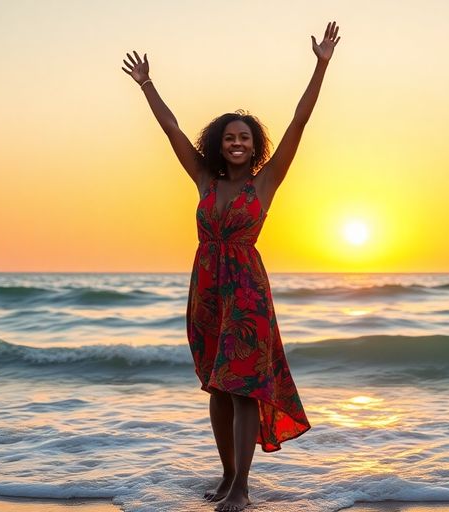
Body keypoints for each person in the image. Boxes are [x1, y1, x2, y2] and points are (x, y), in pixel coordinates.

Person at [122, 21, 341, 512]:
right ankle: (226, 478)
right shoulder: (204, 180)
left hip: (247, 294)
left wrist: (321, 65)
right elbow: (172, 129)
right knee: (217, 388)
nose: (236, 143)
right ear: (218, 145)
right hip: (206, 291)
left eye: (243, 137)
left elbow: (298, 124)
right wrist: (147, 85)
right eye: (228, 138)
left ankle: (242, 487)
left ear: (253, 143)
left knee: (244, 388)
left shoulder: (264, 185)